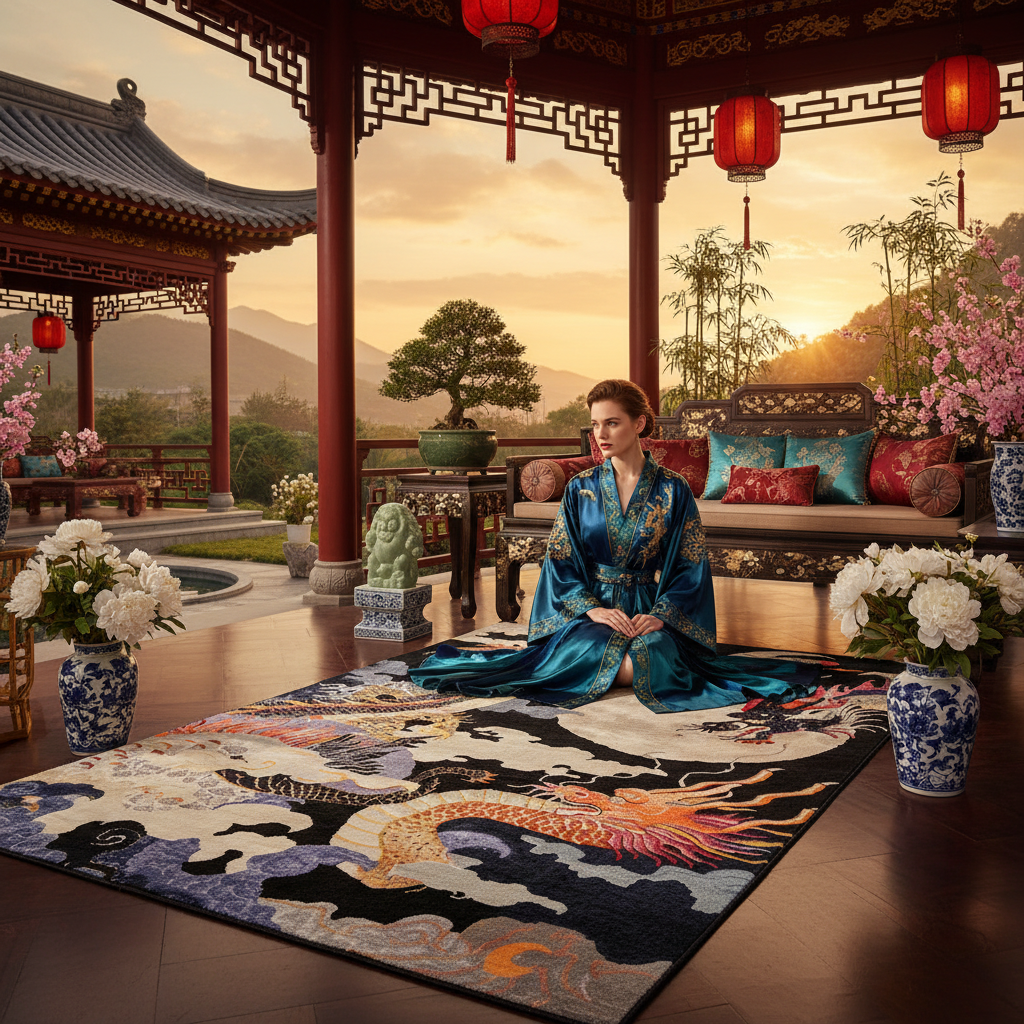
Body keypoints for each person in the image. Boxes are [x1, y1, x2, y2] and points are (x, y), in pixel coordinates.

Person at [409, 379, 820, 713]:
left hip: (648, 607)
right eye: (595, 424)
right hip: (596, 607)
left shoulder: (674, 490)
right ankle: (594, 651)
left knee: (652, 651)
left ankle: (638, 652)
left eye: (612, 423)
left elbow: (688, 565)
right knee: (600, 650)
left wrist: (661, 616)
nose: (599, 435)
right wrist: (593, 609)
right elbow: (561, 562)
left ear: (639, 424)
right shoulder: (580, 488)